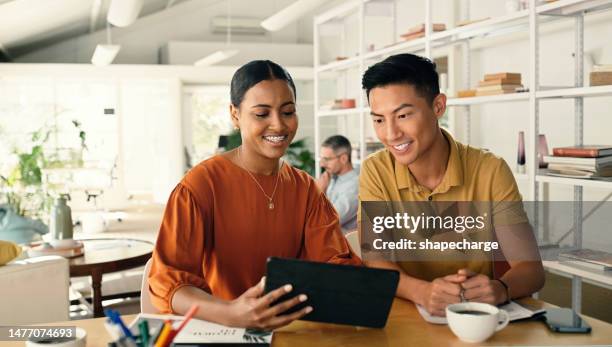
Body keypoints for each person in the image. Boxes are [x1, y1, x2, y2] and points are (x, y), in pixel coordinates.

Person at [149, 60, 361, 329]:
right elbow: (168, 280)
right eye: (262, 114)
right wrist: (230, 312)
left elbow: (335, 263)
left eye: (288, 112)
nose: (278, 125)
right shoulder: (200, 185)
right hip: (221, 330)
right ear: (235, 115)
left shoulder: (305, 189)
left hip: (291, 329)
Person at [359, 53, 544, 317]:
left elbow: (531, 269)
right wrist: (423, 292)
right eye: (379, 120)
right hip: (407, 314)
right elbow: (376, 260)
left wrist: (500, 288)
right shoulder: (376, 170)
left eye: (403, 115)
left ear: (438, 106)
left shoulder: (490, 169)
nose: (390, 134)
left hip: (474, 317)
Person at [316, 135, 359, 233]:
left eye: (327, 159)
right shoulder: (331, 176)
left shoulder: (354, 187)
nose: (322, 164)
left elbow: (326, 222)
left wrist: (319, 192)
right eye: (321, 159)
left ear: (343, 158)